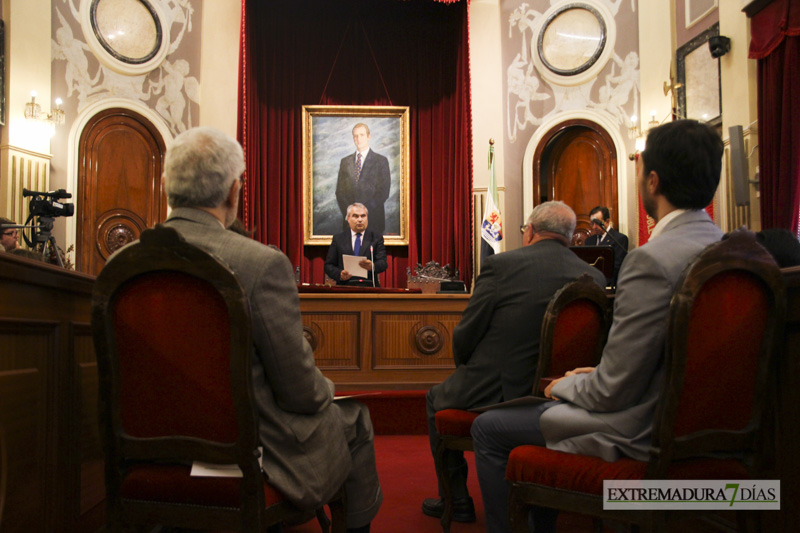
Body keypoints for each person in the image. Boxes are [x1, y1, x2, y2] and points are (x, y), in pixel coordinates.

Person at [470, 119, 725, 533]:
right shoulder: (731, 253)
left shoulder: (651, 260)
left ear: (653, 181)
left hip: (643, 433)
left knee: (490, 427)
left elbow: (611, 393)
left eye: (639, 168)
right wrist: (599, 372)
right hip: (708, 431)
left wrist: (564, 384)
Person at [152, 127, 382, 533]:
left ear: (165, 185)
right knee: (357, 418)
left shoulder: (124, 264)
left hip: (153, 452)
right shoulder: (260, 264)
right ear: (233, 192)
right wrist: (329, 391)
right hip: (253, 449)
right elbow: (300, 391)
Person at [421, 201, 606, 524]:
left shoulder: (501, 266)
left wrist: (464, 368)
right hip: (566, 393)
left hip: (502, 389)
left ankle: (457, 501)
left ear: (531, 230)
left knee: (435, 398)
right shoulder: (594, 277)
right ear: (568, 236)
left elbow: (466, 335)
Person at [336, 123, 391, 236]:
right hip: (349, 223)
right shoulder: (345, 162)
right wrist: (351, 214)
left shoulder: (381, 161)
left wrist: (362, 212)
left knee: (372, 253)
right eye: (355, 136)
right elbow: (340, 192)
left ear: (368, 136)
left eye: (362, 135)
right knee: (349, 254)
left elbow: (383, 191)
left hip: (373, 222)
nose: (358, 139)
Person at [325, 203, 388, 287]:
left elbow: (383, 263)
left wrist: (372, 266)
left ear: (367, 218)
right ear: (348, 218)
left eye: (363, 216)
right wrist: (339, 274)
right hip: (344, 287)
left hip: (369, 287)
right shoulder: (338, 239)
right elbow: (329, 265)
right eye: (355, 216)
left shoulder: (376, 238)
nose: (360, 220)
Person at [583, 205, 629, 286]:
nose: (594, 227)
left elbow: (616, 266)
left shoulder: (619, 239)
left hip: (610, 285)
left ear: (607, 221)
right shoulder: (589, 241)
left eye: (597, 223)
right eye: (592, 223)